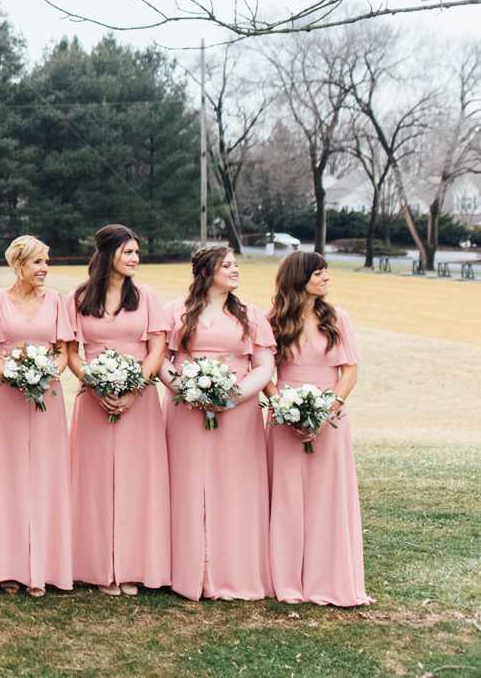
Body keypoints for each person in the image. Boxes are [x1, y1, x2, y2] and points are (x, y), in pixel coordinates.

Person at [162, 245, 275, 601]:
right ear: (208, 271)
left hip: (238, 413)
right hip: (187, 409)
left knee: (234, 486)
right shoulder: (175, 311)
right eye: (227, 265)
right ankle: (187, 570)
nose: (235, 269)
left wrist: (234, 396)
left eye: (236, 264)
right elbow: (162, 360)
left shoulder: (251, 315)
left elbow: (265, 367)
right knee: (189, 483)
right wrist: (186, 389)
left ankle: (233, 571)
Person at [66, 224, 171, 595]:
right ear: (108, 254)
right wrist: (94, 384)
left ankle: (132, 566)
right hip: (93, 400)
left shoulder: (147, 297)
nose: (134, 259)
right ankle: (94, 566)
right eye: (128, 252)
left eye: (137, 253)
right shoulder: (79, 298)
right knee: (93, 481)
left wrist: (135, 388)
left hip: (139, 402)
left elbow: (157, 348)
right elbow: (72, 352)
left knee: (136, 481)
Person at [266, 251, 370, 606]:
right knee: (287, 497)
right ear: (300, 278)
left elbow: (350, 373)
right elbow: (266, 372)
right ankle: (287, 579)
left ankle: (327, 577)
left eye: (327, 272)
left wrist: (326, 411)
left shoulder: (338, 318)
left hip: (330, 418)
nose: (326, 278)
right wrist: (284, 407)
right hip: (284, 418)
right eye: (319, 273)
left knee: (327, 496)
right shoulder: (275, 320)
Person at [0, 234, 75, 597]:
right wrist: (11, 376)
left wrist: (47, 374)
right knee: (9, 474)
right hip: (7, 397)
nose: (45, 268)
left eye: (46, 261)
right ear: (18, 265)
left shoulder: (57, 302)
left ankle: (46, 566)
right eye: (37, 262)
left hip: (47, 396)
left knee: (46, 475)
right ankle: (7, 566)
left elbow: (63, 351)